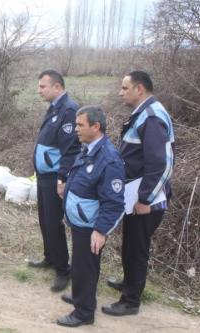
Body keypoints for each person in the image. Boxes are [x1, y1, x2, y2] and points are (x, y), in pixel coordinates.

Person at [103, 70, 175, 316]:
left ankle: (130, 301)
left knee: (136, 248)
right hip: (135, 194)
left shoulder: (152, 117)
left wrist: (146, 199)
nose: (120, 93)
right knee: (131, 243)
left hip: (145, 198)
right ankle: (130, 283)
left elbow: (161, 163)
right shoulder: (144, 113)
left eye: (125, 88)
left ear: (139, 89)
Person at [56, 106, 125, 327]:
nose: (76, 129)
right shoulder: (88, 148)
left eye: (80, 125)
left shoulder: (109, 159)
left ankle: (84, 313)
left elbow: (114, 203)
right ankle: (81, 296)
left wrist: (101, 230)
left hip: (91, 226)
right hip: (79, 221)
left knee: (85, 266)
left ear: (96, 127)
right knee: (80, 265)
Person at [30, 69, 81, 292]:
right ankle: (49, 257)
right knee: (44, 219)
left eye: (43, 86)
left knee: (54, 222)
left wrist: (62, 178)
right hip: (44, 176)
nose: (39, 90)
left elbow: (70, 149)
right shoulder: (53, 108)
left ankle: (63, 269)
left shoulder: (69, 110)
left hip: (55, 178)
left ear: (57, 87)